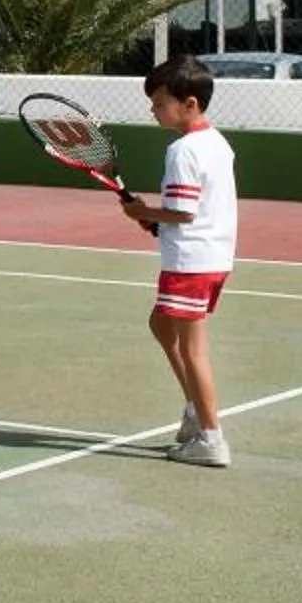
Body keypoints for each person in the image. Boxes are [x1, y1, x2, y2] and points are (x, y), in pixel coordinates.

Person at [120, 55, 238, 467]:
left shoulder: (182, 150)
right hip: (213, 257)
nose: (153, 109)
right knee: (159, 324)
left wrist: (144, 213)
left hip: (191, 262)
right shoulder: (217, 142)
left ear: (188, 104)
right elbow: (197, 211)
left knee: (194, 352)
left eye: (159, 102)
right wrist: (154, 223)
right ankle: (194, 411)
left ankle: (211, 439)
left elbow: (184, 212)